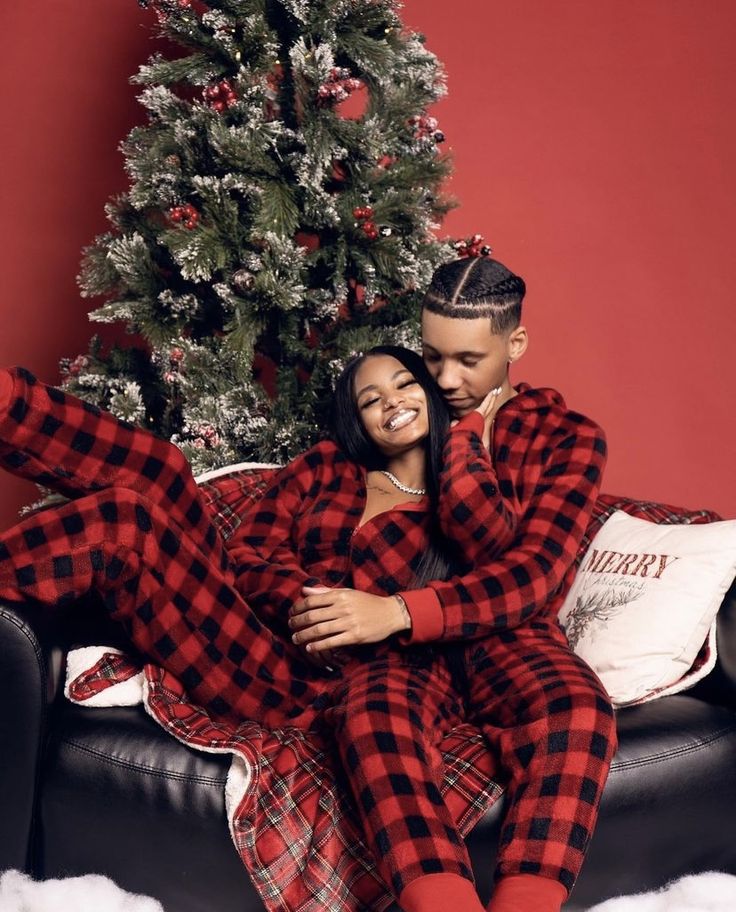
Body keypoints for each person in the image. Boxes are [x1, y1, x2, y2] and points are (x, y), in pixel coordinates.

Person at [0, 346, 512, 912]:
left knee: (126, 525)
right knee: (163, 468)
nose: (391, 403)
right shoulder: (325, 468)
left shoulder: (468, 501)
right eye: (371, 399)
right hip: (257, 619)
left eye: (405, 384)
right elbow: (250, 550)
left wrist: (377, 613)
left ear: (434, 394)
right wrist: (300, 600)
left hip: (314, 681)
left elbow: (489, 602)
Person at [285, 256, 617, 912]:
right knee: (371, 716)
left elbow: (534, 575)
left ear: (514, 345)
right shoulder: (406, 411)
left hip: (507, 630)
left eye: (468, 360)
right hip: (402, 646)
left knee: (578, 709)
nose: (445, 379)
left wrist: (398, 612)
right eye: (432, 357)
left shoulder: (569, 439)